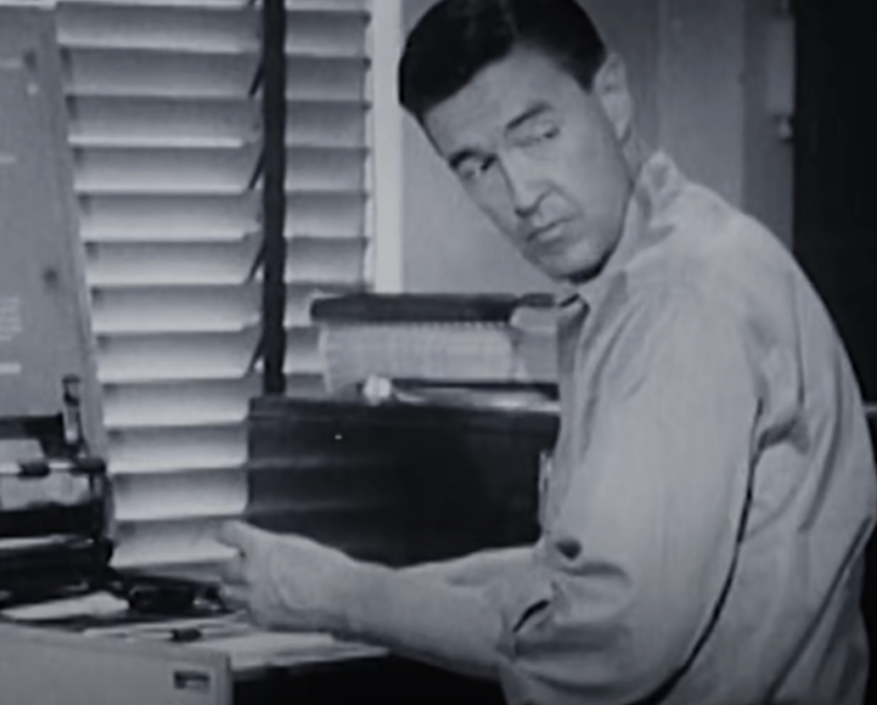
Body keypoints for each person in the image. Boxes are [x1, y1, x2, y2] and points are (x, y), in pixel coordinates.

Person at [216, 1, 877, 703]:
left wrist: (341, 597)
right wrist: (337, 580)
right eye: (477, 166)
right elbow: (569, 572)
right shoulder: (650, 268)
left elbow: (611, 643)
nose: (521, 195)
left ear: (613, 97)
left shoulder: (681, 300)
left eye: (539, 134)